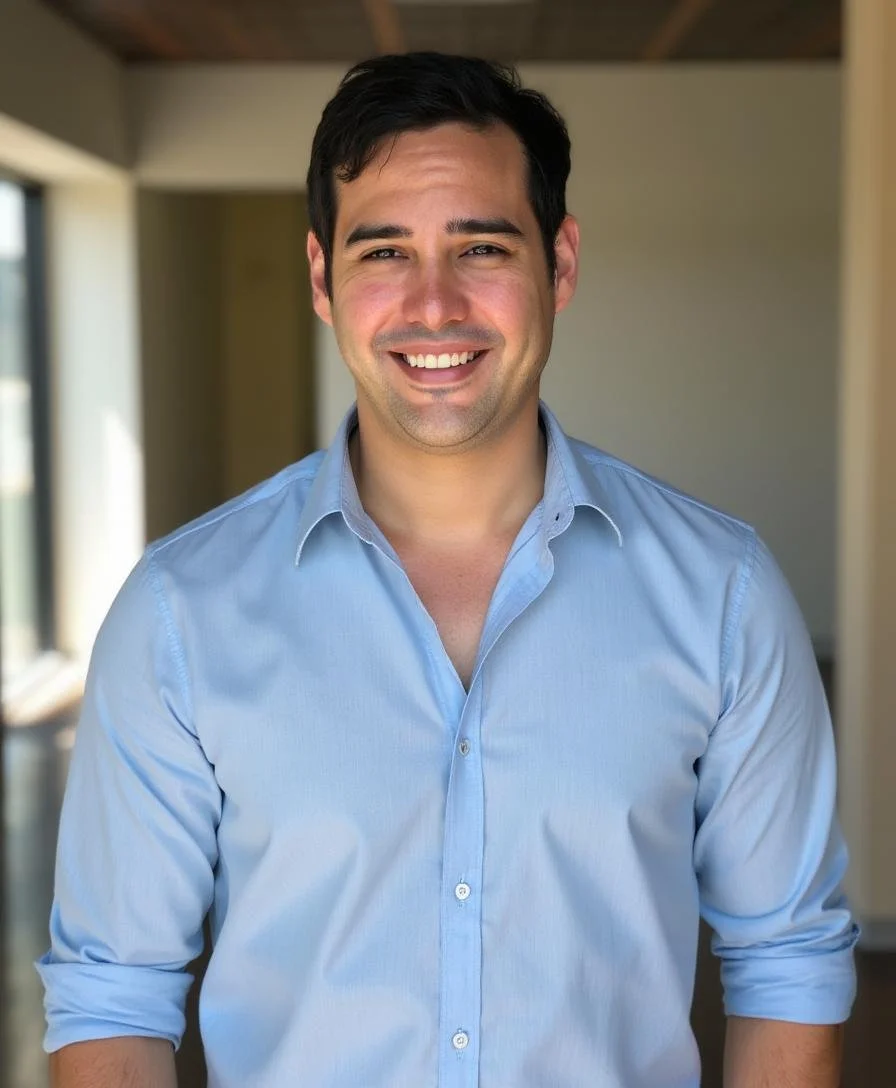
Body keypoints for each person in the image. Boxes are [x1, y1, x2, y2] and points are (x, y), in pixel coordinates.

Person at [39, 52, 857, 1088]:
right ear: (321, 278)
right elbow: (112, 997)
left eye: (480, 245)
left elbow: (784, 964)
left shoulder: (723, 596)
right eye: (383, 250)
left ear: (558, 265)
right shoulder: (177, 613)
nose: (433, 305)